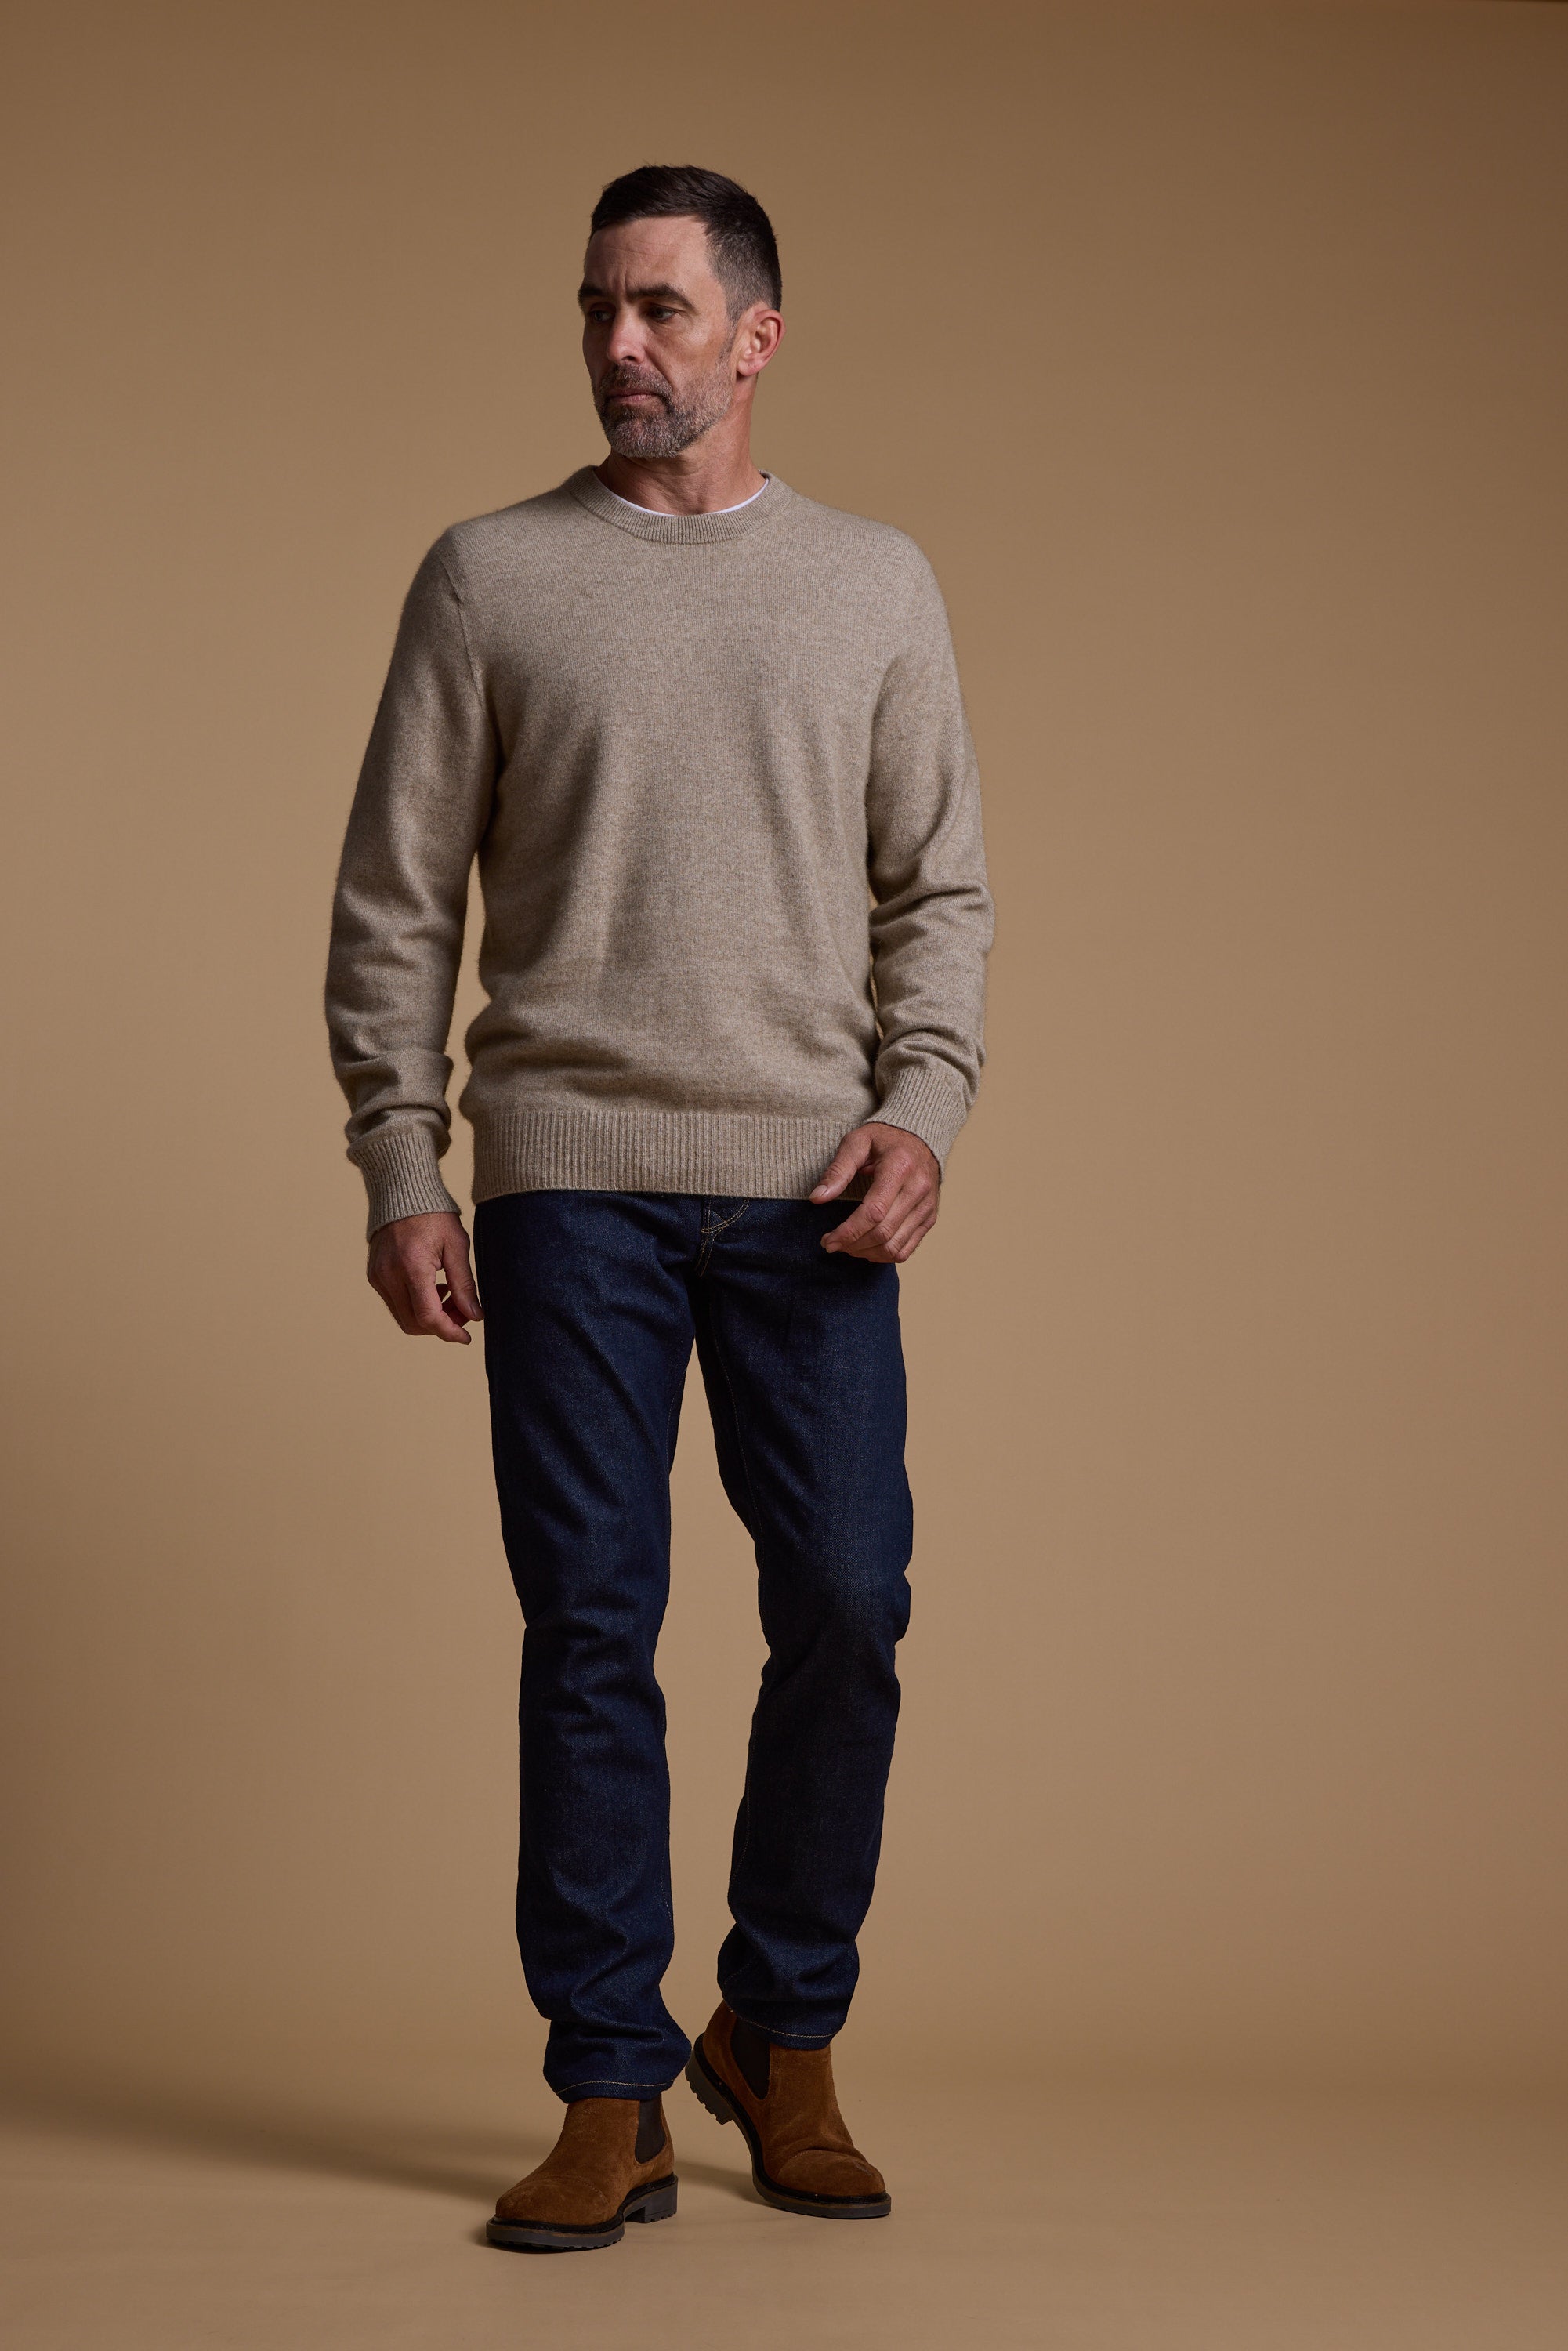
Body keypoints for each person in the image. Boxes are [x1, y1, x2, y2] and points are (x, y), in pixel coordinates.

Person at [325, 163, 994, 2252]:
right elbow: (395, 895)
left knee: (850, 1604)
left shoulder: (874, 584)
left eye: (664, 312)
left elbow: (937, 891)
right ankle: (607, 2082)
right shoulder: (487, 576)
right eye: (599, 310)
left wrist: (922, 1108)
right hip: (564, 1191)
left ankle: (777, 2036)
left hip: (806, 1186)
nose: (624, 346)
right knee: (593, 1630)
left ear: (756, 336)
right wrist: (396, 1155)